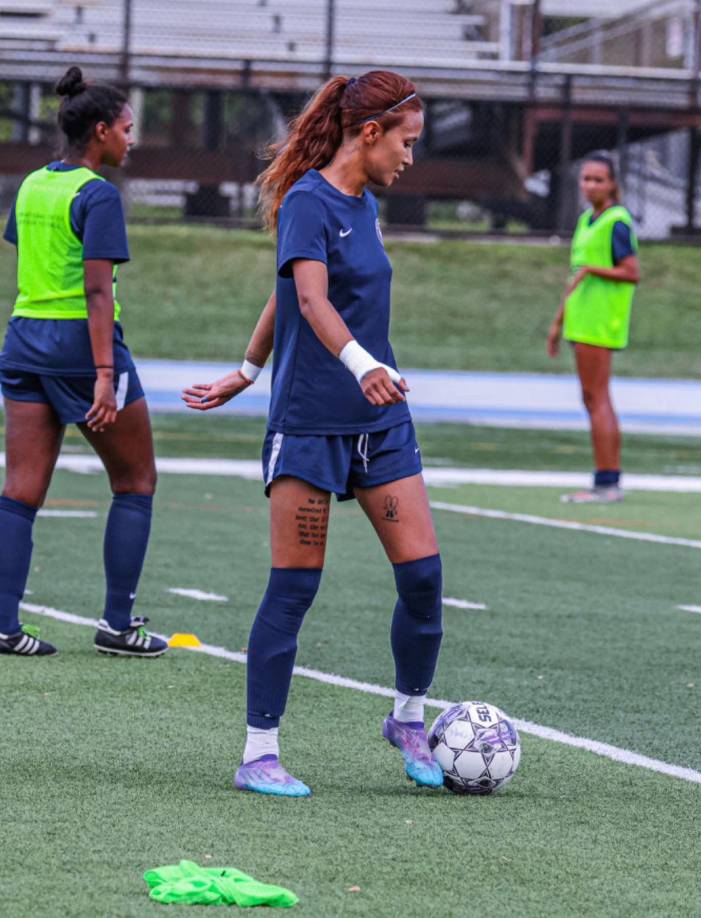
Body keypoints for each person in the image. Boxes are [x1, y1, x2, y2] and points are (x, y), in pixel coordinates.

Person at [183, 70, 444, 797]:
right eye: (406, 142)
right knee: (294, 589)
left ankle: (408, 717)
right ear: (369, 134)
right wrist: (356, 364)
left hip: (379, 422)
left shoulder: (362, 205)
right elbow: (303, 294)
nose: (410, 159)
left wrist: (245, 366)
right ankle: (259, 752)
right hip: (310, 425)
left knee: (423, 578)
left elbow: (289, 294)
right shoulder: (307, 200)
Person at [0, 66, 167, 658]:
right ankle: (118, 627)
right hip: (82, 348)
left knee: (19, 492)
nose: (131, 139)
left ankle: (4, 625)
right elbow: (98, 292)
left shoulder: (32, 184)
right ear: (100, 131)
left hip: (22, 340)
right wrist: (103, 375)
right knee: (136, 481)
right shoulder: (98, 194)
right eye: (126, 128)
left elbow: (30, 257)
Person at [547, 153, 641, 503]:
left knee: (598, 398)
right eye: (585, 179)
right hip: (581, 319)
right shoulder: (587, 219)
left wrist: (592, 272)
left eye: (598, 180)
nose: (590, 186)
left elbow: (631, 272)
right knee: (593, 398)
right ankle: (606, 478)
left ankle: (607, 482)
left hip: (600, 321)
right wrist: (558, 323)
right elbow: (575, 277)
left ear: (612, 184)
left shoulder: (617, 221)